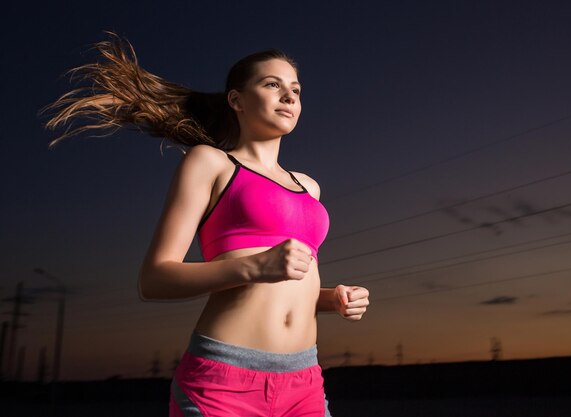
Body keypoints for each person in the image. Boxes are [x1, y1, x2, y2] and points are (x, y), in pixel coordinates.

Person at [42, 32, 370, 417]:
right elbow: (154, 280)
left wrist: (331, 298)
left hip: (305, 382)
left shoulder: (308, 186)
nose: (289, 97)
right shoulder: (211, 163)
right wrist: (253, 266)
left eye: (296, 90)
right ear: (236, 100)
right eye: (272, 85)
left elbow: (285, 286)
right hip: (223, 382)